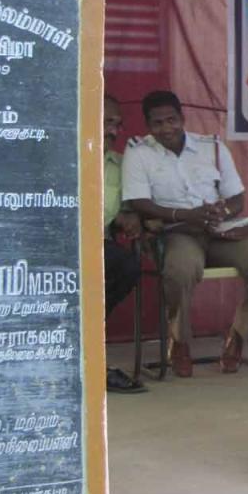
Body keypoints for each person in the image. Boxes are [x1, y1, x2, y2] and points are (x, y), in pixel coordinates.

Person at [121, 90, 248, 380]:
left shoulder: (210, 147)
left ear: (182, 118)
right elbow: (139, 202)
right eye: (158, 123)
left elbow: (236, 196)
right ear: (148, 125)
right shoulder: (138, 153)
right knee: (181, 270)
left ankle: (237, 337)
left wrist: (221, 212)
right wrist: (185, 215)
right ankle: (180, 341)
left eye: (172, 120)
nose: (166, 128)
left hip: (217, 232)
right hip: (177, 233)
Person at [103, 95, 146, 394]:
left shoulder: (120, 165)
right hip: (58, 246)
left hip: (99, 245)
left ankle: (88, 346)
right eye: (107, 122)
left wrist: (128, 215)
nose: (113, 132)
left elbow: (128, 206)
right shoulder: (60, 157)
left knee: (126, 264)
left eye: (117, 125)